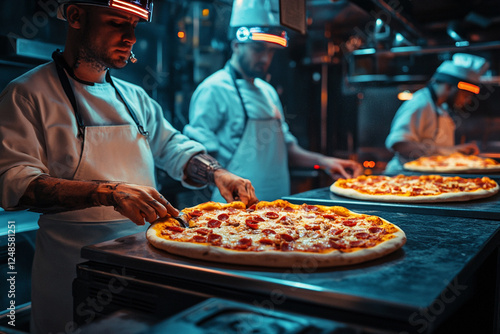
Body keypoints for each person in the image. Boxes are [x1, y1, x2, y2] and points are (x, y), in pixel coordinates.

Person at [0, 1, 258, 333]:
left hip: (145, 256)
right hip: (72, 267)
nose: (130, 37)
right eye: (116, 23)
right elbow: (15, 184)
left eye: (135, 27)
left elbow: (173, 146)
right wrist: (109, 193)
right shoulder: (27, 94)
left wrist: (216, 172)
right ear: (76, 16)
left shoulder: (135, 98)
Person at [183, 0, 363, 201]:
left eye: (271, 51)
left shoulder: (268, 91)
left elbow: (287, 148)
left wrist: (326, 162)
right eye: (258, 49)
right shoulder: (213, 89)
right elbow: (199, 156)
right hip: (233, 207)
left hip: (277, 205)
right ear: (236, 45)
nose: (265, 58)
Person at [385, 53, 490, 174]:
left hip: (428, 177)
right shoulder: (421, 103)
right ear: (449, 87)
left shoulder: (442, 108)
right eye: (465, 95)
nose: (467, 100)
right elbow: (399, 144)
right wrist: (451, 151)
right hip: (403, 177)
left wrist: (455, 151)